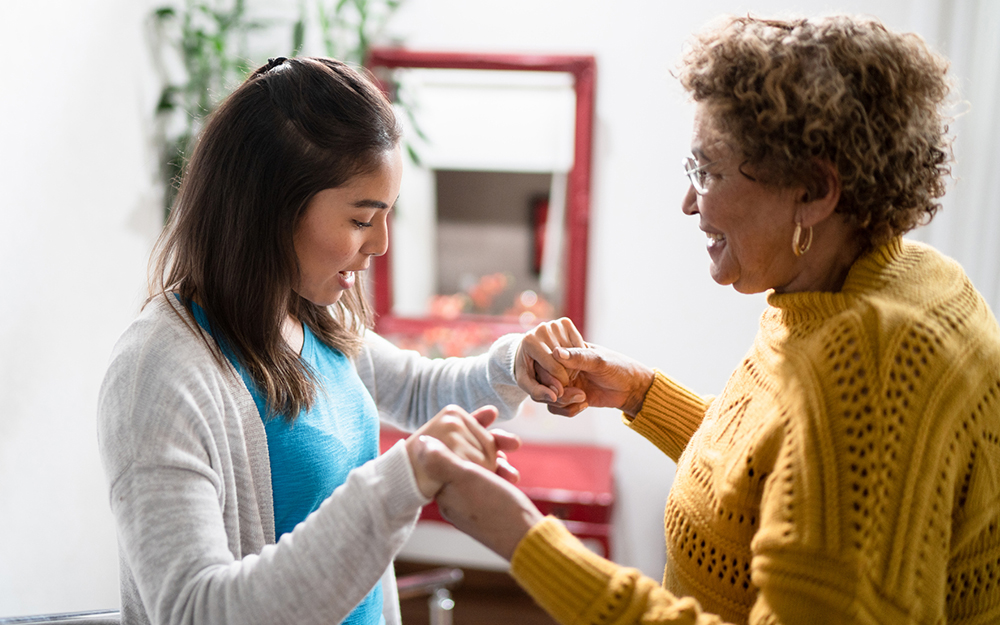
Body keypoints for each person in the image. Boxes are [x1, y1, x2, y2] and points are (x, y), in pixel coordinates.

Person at [424, 14, 1000, 625]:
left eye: (709, 172)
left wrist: (527, 541)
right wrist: (644, 395)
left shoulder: (874, 355)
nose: (689, 202)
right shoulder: (902, 280)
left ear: (813, 189)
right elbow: (795, 474)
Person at [97, 56, 583, 625]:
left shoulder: (309, 319)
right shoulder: (157, 374)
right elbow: (197, 610)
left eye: (386, 217)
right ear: (269, 209)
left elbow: (423, 391)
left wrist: (516, 365)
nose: (378, 245)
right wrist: (403, 479)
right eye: (360, 219)